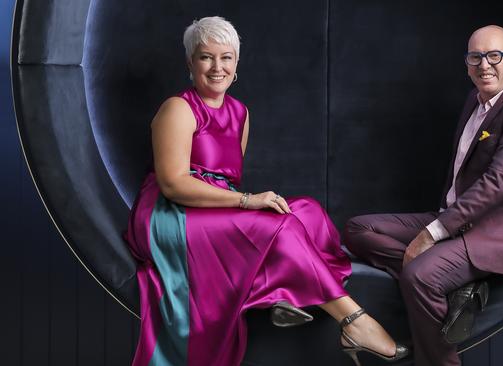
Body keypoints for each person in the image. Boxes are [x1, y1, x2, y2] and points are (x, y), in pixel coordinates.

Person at [124, 16, 407, 366]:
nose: (217, 67)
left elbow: (226, 181)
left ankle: (280, 293)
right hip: (169, 214)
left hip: (210, 206)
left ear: (237, 63)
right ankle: (355, 321)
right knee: (282, 227)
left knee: (307, 212)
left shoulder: (240, 113)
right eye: (205, 57)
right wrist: (247, 202)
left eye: (226, 57)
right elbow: (174, 184)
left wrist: (246, 204)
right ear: (190, 62)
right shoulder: (178, 109)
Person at [344, 25, 503, 366]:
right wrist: (441, 224)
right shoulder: (476, 98)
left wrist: (431, 234)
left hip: (500, 228)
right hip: (459, 215)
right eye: (476, 57)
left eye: (495, 56)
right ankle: (456, 292)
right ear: (467, 62)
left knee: (420, 276)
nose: (484, 65)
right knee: (358, 230)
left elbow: (498, 181)